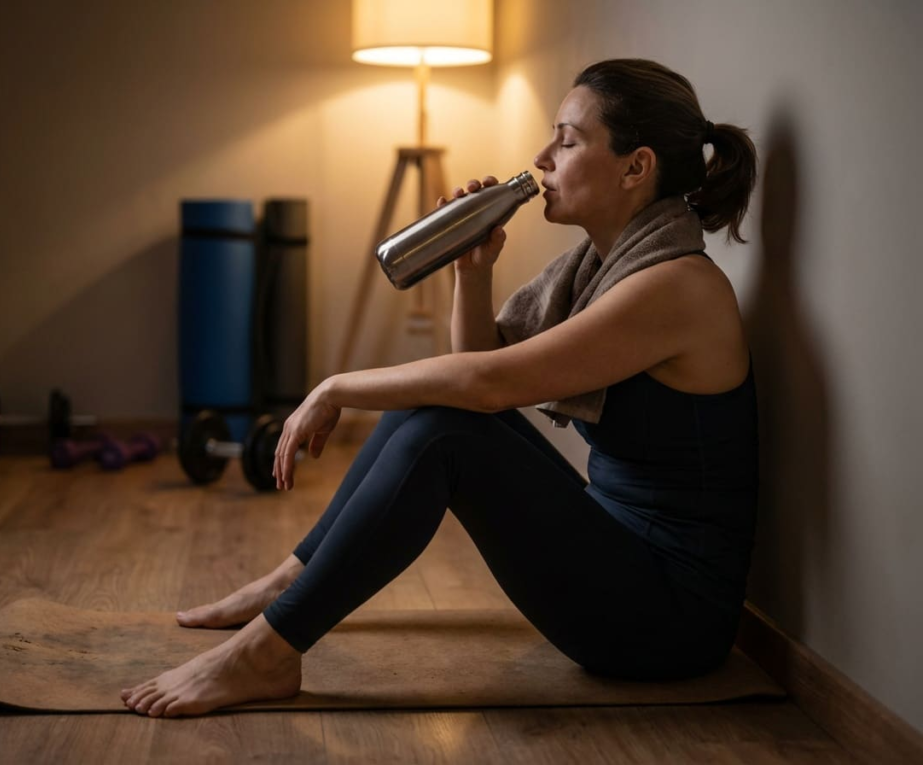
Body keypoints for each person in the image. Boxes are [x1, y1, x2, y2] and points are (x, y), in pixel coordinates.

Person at [121, 58, 759, 718]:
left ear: (636, 167)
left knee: (443, 430)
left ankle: (267, 650)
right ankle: (292, 580)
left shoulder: (674, 287)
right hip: (621, 559)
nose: (542, 157)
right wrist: (472, 272)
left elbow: (484, 384)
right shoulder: (606, 269)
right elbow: (474, 374)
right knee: (433, 407)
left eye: (566, 141)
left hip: (666, 619)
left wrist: (337, 385)